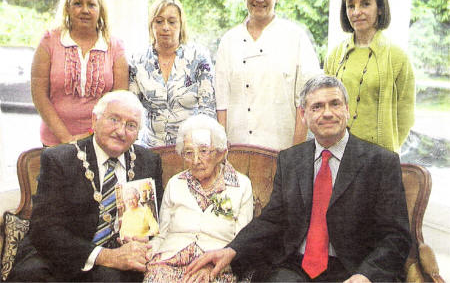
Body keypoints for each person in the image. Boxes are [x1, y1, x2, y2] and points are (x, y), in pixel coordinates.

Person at [186, 75, 411, 282]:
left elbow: (396, 236)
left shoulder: (380, 162)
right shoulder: (290, 160)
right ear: (304, 115)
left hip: (352, 269)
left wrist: (366, 275)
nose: (328, 113)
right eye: (317, 107)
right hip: (295, 266)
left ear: (347, 109)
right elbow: (272, 220)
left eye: (335, 104)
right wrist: (232, 250)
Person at [8, 90, 163, 282]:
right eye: (114, 120)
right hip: (59, 255)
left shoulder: (148, 162)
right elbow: (45, 230)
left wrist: (140, 241)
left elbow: (151, 223)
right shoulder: (60, 159)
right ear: (94, 120)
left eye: (131, 125)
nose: (121, 131)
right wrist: (104, 256)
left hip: (116, 261)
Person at [215, 0, 320, 151]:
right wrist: (222, 149)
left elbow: (305, 102)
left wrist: (295, 153)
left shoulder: (295, 37)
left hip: (281, 146)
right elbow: (221, 103)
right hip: (237, 146)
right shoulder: (229, 40)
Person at [143, 114, 253, 283]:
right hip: (169, 262)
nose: (195, 160)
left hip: (217, 265)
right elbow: (162, 234)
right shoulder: (175, 183)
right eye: (188, 153)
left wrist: (216, 266)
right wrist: (147, 253)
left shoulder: (241, 185)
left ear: (219, 153)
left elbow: (243, 242)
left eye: (203, 151)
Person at [32, 0, 129, 147]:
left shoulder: (115, 46)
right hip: (55, 142)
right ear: (67, 9)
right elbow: (39, 95)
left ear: (100, 11)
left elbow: (119, 101)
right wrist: (66, 138)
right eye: (78, 4)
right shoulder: (49, 41)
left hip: (101, 142)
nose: (85, 10)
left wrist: (93, 137)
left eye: (91, 5)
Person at [324, 0, 415, 153]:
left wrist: (386, 154)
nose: (357, 12)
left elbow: (405, 116)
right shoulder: (334, 55)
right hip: (337, 154)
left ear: (380, 8)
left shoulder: (398, 57)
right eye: (351, 6)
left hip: (379, 159)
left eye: (365, 4)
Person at [130, 0, 216, 147]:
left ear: (181, 25)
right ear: (151, 25)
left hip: (190, 148)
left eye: (172, 22)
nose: (165, 27)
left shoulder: (199, 57)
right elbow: (132, 110)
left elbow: (207, 109)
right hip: (150, 148)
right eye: (159, 21)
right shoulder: (137, 61)